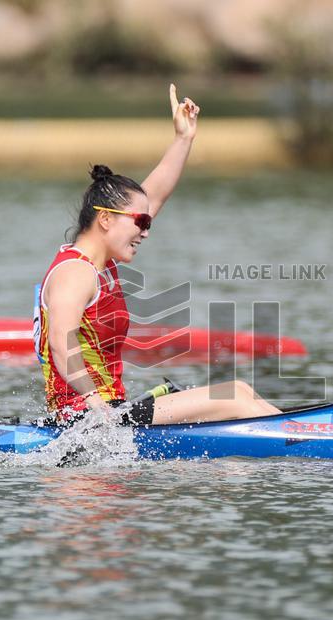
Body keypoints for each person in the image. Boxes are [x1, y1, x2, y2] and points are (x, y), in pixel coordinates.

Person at [35, 84, 280, 427]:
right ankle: (316, 437)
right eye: (141, 222)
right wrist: (94, 403)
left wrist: (184, 139)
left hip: (108, 413)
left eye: (147, 221)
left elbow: (156, 194)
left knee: (238, 397)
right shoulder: (74, 273)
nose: (146, 231)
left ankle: (311, 428)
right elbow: (63, 343)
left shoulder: (97, 265)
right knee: (235, 394)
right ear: (105, 219)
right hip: (85, 422)